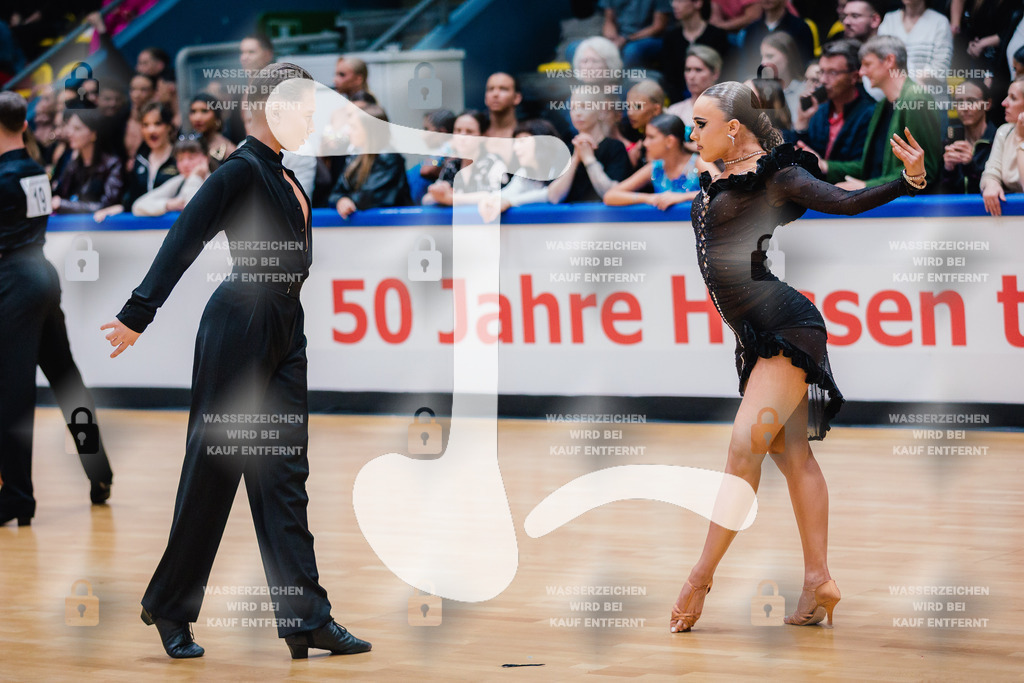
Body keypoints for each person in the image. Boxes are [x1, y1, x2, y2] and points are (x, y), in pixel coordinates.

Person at [100, 63, 372, 659]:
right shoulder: (242, 171)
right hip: (238, 326)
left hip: (283, 330)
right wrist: (137, 314)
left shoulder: (282, 172)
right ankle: (171, 607)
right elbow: (185, 235)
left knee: (285, 477)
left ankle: (306, 618)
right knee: (214, 469)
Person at [671, 79, 926, 633]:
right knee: (793, 458)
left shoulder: (779, 174)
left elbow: (843, 200)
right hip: (756, 339)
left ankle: (699, 578)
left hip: (788, 328)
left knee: (743, 448)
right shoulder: (715, 173)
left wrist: (907, 180)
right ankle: (818, 582)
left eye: (699, 123)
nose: (690, 132)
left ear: (732, 127)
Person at [0, 92, 114, 527]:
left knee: (12, 394)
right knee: (66, 380)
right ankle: (99, 471)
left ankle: (17, 498)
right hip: (41, 275)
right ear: (25, 125)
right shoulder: (35, 170)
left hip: (13, 281)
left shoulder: (5, 176)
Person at [814, 36, 941, 191]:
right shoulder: (882, 104)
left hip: (907, 210)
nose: (861, 72)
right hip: (885, 203)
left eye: (867, 64)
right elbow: (871, 166)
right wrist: (826, 166)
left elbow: (925, 171)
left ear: (889, 60)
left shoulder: (916, 99)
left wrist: (866, 186)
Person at [794, 39, 874, 163]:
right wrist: (802, 123)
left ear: (854, 77)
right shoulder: (819, 110)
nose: (823, 80)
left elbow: (863, 167)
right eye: (822, 72)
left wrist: (825, 166)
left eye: (832, 72)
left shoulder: (871, 113)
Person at [96, 101, 179, 220]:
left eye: (157, 124)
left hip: (173, 224)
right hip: (143, 230)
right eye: (145, 125)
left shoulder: (179, 158)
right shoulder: (139, 160)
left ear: (169, 126)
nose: (151, 130)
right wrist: (119, 209)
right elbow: (133, 199)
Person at [604, 113, 705, 208]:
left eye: (651, 137)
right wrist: (648, 198)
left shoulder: (698, 163)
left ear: (669, 141)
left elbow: (720, 190)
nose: (645, 143)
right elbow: (610, 196)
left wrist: (682, 197)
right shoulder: (655, 168)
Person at [329, 104, 413, 218]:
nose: (348, 132)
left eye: (354, 127)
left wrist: (347, 199)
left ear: (370, 131)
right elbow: (335, 193)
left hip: (391, 227)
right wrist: (341, 200)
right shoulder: (355, 158)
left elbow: (369, 198)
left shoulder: (390, 159)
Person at [548, 91, 632, 202]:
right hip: (569, 217)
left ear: (601, 112)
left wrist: (589, 159)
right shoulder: (566, 150)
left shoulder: (615, 148)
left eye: (585, 106)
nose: (577, 113)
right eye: (573, 108)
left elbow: (611, 194)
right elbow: (553, 198)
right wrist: (575, 159)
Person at [51, 108, 125, 214]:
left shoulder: (112, 164)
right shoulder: (73, 164)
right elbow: (60, 195)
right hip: (72, 227)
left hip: (103, 228)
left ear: (93, 134)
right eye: (70, 128)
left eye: (77, 129)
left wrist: (63, 205)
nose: (70, 133)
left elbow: (107, 206)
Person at [425, 110, 505, 206]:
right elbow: (426, 200)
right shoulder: (452, 165)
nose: (462, 137)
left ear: (482, 136)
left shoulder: (493, 162)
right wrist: (436, 191)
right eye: (458, 130)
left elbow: (496, 196)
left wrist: (450, 198)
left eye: (469, 132)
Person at [661, 0, 732, 100]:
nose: (674, 5)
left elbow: (727, 72)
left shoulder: (717, 35)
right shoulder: (671, 38)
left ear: (698, 3)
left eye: (680, 1)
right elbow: (669, 78)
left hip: (715, 99)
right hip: (680, 101)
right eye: (673, 1)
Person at [877, 0, 953, 86]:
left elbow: (940, 67)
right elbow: (880, 57)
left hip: (931, 94)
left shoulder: (940, 22)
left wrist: (914, 83)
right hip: (895, 93)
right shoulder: (889, 19)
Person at [940, 78, 996, 195]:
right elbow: (944, 193)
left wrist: (970, 165)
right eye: (959, 101)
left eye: (971, 101)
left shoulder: (999, 139)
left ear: (988, 104)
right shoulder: (951, 139)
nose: (964, 107)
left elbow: (1002, 186)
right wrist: (948, 170)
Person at [131, 139, 209, 216]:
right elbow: (138, 206)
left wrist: (196, 177)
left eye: (191, 158)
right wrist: (167, 205)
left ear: (205, 159)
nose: (185, 164)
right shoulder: (180, 180)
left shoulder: (214, 181)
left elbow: (192, 209)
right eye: (181, 159)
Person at [980, 77, 1024, 215]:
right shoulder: (1004, 131)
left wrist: (1021, 140)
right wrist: (992, 183)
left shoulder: (1017, 134)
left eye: (1013, 98)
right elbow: (990, 172)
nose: (1004, 103)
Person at [742, 0, 815, 75]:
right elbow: (745, 67)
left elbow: (806, 65)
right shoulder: (751, 30)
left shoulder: (800, 28)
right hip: (757, 82)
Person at [598, 0, 673, 68]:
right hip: (619, 36)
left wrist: (626, 39)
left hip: (650, 37)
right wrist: (612, 38)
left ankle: (629, 81)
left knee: (631, 51)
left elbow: (658, 27)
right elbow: (609, 20)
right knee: (591, 46)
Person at [667, 45, 723, 132]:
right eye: (688, 70)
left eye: (698, 70)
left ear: (715, 73)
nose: (691, 76)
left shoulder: (725, 110)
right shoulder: (674, 111)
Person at [759, 31, 806, 124]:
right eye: (762, 56)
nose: (763, 63)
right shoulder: (761, 91)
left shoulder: (805, 89)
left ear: (788, 56)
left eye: (770, 56)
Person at [187, 93, 236, 168]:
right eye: (193, 112)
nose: (197, 118)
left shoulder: (229, 151)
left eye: (204, 111)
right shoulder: (189, 145)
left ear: (216, 116)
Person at [484, 72, 522, 139]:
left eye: (503, 89)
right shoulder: (477, 133)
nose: (495, 94)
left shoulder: (525, 135)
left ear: (516, 98)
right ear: (485, 98)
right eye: (491, 89)